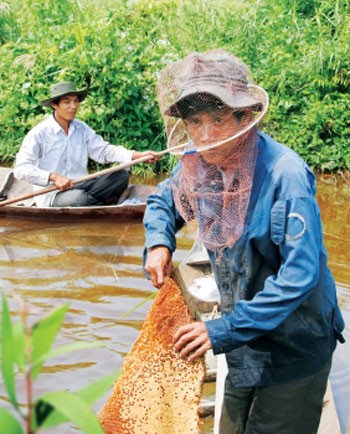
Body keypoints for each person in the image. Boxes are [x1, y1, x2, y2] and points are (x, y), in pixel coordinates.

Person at [143, 49, 345, 433]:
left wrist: (217, 331)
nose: (204, 136)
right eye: (194, 122)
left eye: (218, 120)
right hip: (242, 339)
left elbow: (299, 278)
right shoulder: (196, 160)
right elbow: (163, 199)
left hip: (293, 345)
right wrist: (158, 242)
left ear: (245, 117)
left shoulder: (286, 177)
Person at [14, 81, 159, 207]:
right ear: (54, 105)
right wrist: (53, 177)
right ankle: (96, 203)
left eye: (76, 101)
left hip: (82, 184)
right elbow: (21, 169)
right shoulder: (39, 133)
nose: (73, 106)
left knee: (121, 176)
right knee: (79, 198)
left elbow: (104, 151)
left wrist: (137, 155)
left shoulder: (81, 128)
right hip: (53, 193)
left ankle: (92, 202)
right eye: (67, 102)